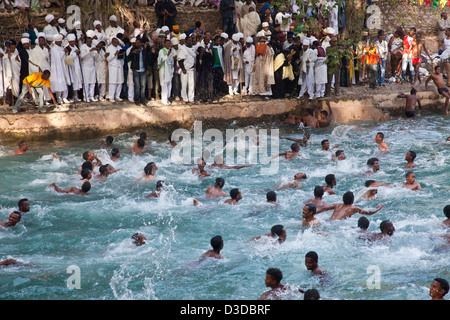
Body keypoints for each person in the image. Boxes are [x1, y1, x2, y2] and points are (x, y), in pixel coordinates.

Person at [317, 191, 384, 220]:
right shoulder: (354, 208)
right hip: (337, 225)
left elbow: (323, 209)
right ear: (352, 200)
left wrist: (314, 212)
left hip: (329, 221)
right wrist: (379, 208)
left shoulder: (337, 205)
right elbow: (369, 213)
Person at [128, 37, 149, 106]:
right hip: (136, 70)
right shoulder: (133, 49)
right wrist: (133, 53)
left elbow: (146, 60)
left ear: (141, 43)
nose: (136, 44)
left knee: (143, 85)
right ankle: (136, 100)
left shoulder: (144, 50)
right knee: (137, 86)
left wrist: (147, 69)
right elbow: (128, 58)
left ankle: (142, 99)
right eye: (136, 43)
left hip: (143, 70)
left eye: (138, 43)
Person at [178, 36, 196, 104]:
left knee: (191, 84)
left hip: (191, 69)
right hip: (185, 69)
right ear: (185, 41)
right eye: (188, 40)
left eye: (191, 41)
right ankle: (184, 99)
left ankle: (191, 98)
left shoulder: (193, 48)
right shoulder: (183, 49)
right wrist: (183, 68)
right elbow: (180, 60)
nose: (190, 42)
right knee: (184, 84)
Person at [106, 37, 125, 102]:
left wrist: (122, 55)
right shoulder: (109, 48)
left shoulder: (119, 48)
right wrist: (114, 54)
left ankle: (117, 96)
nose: (116, 43)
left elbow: (122, 58)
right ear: (112, 42)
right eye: (115, 42)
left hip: (119, 66)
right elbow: (108, 59)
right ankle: (111, 97)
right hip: (113, 67)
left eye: (117, 42)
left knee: (120, 82)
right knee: (113, 82)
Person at [157, 39, 174, 106]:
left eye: (169, 43)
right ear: (164, 44)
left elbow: (171, 61)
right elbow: (161, 59)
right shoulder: (161, 51)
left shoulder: (170, 51)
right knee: (164, 85)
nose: (168, 45)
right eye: (166, 43)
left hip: (169, 70)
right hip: (163, 70)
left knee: (169, 85)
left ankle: (167, 98)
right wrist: (167, 55)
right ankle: (163, 99)